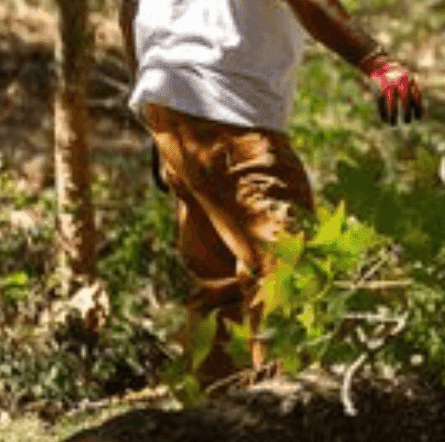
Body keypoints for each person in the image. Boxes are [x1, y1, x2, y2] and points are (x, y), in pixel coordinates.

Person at [117, 0, 422, 389]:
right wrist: (377, 62)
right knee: (289, 270)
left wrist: (154, 114)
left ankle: (214, 427)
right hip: (227, 103)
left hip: (168, 100)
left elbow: (129, 12)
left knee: (221, 285)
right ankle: (285, 414)